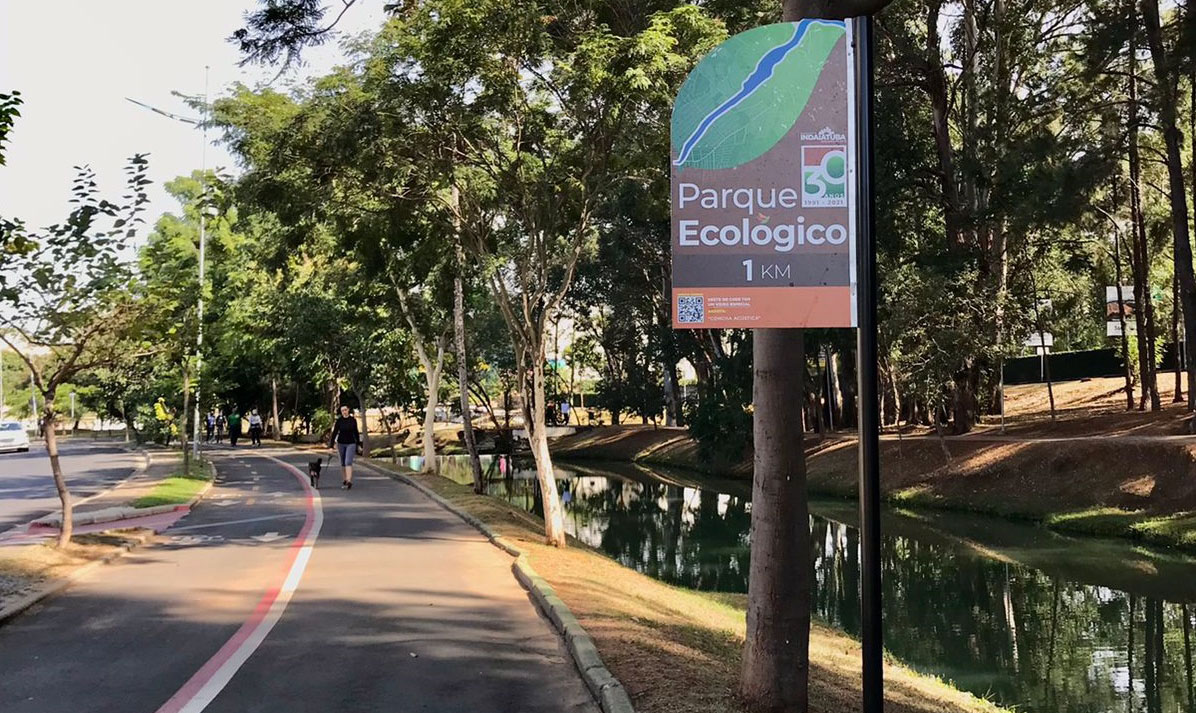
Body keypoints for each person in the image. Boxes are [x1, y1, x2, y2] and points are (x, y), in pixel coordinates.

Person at [329, 404, 361, 490]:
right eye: (342, 410)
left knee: (348, 462)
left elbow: (356, 432)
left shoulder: (352, 420)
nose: (344, 412)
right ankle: (344, 479)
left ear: (348, 410)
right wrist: (331, 446)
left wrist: (359, 444)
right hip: (341, 443)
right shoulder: (339, 421)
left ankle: (349, 480)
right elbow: (334, 433)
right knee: (342, 463)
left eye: (345, 410)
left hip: (351, 443)